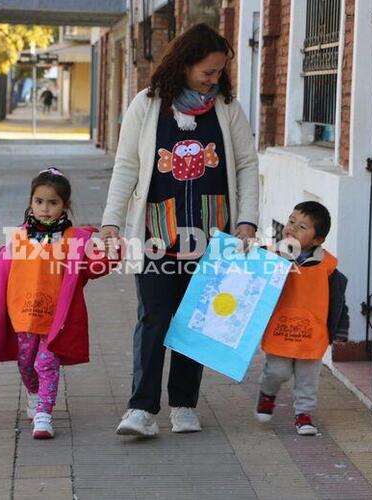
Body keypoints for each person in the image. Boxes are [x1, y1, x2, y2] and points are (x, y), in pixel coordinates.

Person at [100, 23, 259, 437]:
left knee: (194, 323)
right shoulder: (147, 104)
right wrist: (111, 223)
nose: (214, 79)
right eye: (208, 71)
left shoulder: (226, 107)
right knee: (153, 318)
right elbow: (127, 167)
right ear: (185, 64)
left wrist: (246, 220)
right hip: (157, 234)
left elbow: (246, 164)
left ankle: (184, 404)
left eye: (220, 71)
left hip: (211, 236)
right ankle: (141, 409)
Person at [0, 168, 116, 439]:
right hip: (22, 315)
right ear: (30, 203)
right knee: (26, 363)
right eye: (39, 201)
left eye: (53, 202)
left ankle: (45, 414)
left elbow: (95, 266)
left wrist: (111, 250)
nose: (45, 208)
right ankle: (34, 394)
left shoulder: (75, 240)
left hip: (56, 318)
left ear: (65, 206)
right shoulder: (19, 239)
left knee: (46, 363)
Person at [255, 201, 349, 435]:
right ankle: (267, 394)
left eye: (302, 227)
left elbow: (338, 301)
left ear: (318, 240)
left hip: (312, 333)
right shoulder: (272, 256)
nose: (292, 228)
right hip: (279, 330)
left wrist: (340, 330)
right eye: (291, 221)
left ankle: (304, 415)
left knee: (308, 378)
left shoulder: (327, 268)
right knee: (277, 371)